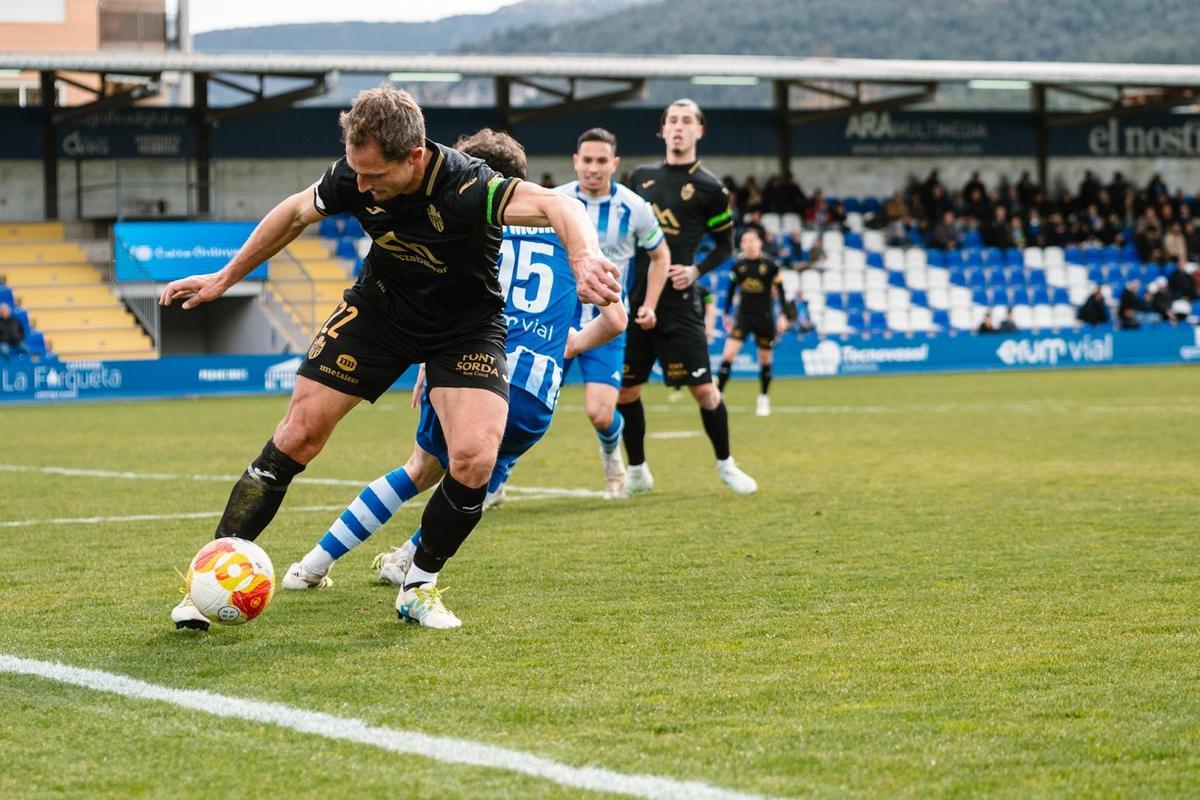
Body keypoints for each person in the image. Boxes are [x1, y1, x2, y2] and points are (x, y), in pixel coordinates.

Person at [161, 87, 621, 631]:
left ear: (414, 157)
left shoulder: (469, 183)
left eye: (373, 175)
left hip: (464, 328)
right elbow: (291, 214)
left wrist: (585, 256)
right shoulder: (351, 175)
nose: (359, 187)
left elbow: (558, 203)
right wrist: (224, 278)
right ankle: (212, 576)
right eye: (354, 171)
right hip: (380, 313)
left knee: (473, 458)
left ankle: (418, 586)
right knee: (297, 436)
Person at [283, 130, 627, 626]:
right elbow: (615, 321)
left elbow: (444, 310)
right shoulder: (563, 227)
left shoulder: (470, 229)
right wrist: (567, 345)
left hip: (476, 369)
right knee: (477, 479)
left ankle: (313, 566)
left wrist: (430, 361)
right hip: (537, 391)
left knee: (418, 470)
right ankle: (409, 564)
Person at [620, 98, 757, 495]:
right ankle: (637, 471)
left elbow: (724, 246)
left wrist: (696, 270)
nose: (679, 127)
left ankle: (726, 464)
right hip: (635, 299)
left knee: (704, 390)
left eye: (687, 121)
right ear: (663, 130)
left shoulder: (711, 189)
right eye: (672, 121)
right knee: (627, 391)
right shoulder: (640, 178)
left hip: (679, 305)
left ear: (699, 130)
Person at [550, 128, 670, 499]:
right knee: (522, 406)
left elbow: (660, 256)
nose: (593, 168)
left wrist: (649, 303)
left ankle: (611, 457)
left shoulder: (635, 207)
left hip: (608, 322)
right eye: (587, 160)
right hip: (557, 321)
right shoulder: (554, 201)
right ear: (575, 162)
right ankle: (495, 482)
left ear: (614, 164)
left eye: (602, 161)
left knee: (601, 414)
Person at [715, 227, 793, 417]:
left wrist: (783, 315)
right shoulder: (738, 266)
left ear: (760, 242)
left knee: (765, 360)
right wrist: (726, 313)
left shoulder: (771, 266)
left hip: (765, 318)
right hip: (743, 317)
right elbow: (732, 290)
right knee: (728, 355)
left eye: (752, 240)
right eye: (745, 241)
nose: (748, 244)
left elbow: (781, 293)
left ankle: (763, 398)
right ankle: (717, 399)